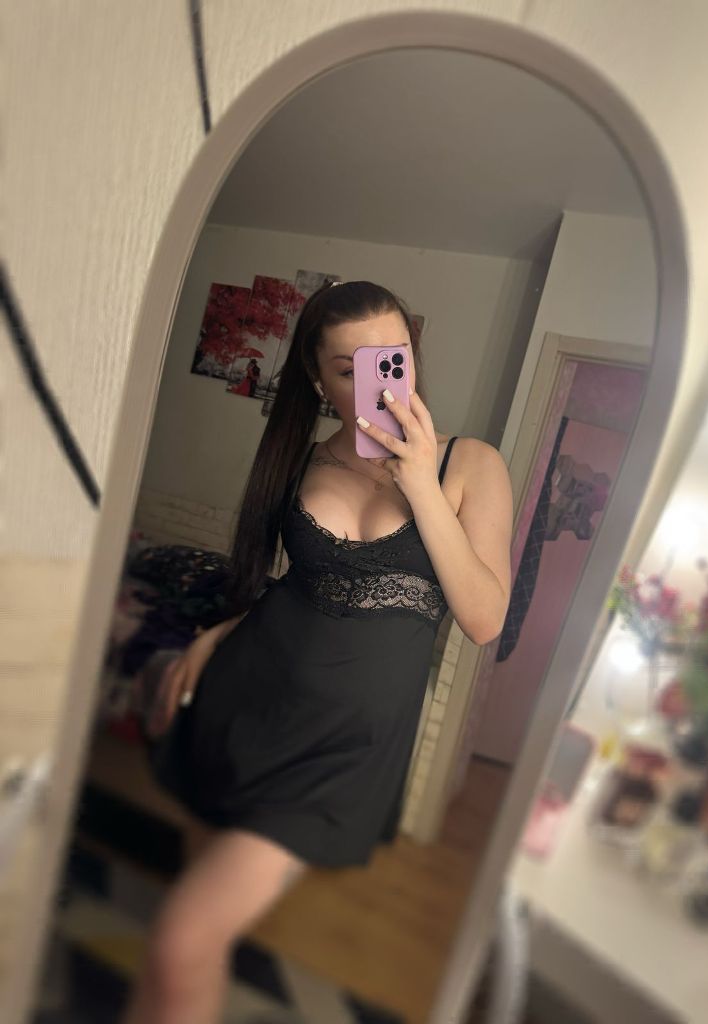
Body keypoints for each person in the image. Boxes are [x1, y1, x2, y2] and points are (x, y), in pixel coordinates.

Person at [121, 280, 514, 1023]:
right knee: (190, 942)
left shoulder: (471, 465)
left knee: (180, 940)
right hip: (243, 701)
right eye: (350, 367)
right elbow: (294, 587)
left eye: (394, 357)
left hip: (344, 751)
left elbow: (484, 618)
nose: (381, 382)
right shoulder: (301, 460)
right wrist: (215, 635)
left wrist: (420, 485)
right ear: (316, 378)